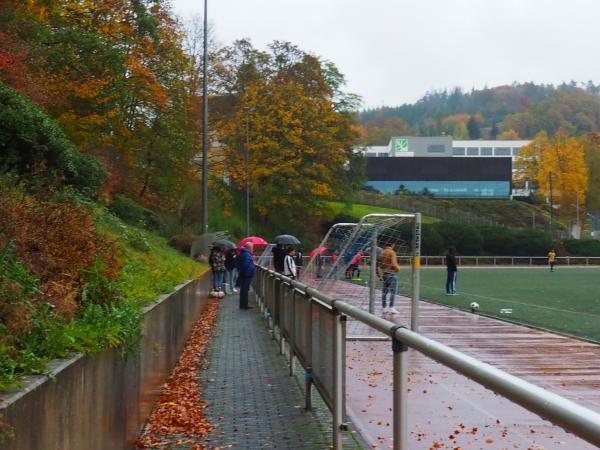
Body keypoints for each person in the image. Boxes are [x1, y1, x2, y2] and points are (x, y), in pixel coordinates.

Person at [379, 243, 400, 314]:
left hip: (384, 273)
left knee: (384, 292)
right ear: (392, 245)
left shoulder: (382, 252)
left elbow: (380, 264)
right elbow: (394, 263)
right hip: (391, 273)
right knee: (393, 291)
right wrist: (397, 269)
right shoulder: (392, 252)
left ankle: (384, 307)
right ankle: (391, 307)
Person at [237, 242, 255, 309]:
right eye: (252, 247)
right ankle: (244, 305)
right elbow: (246, 264)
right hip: (246, 274)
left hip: (245, 273)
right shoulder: (247, 254)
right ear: (250, 247)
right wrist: (247, 272)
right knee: (244, 290)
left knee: (243, 289)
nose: (253, 249)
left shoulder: (244, 253)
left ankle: (243, 305)